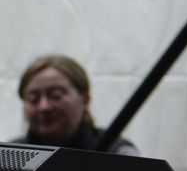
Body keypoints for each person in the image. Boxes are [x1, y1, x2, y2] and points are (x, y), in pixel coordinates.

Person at [12, 54, 140, 155]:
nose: (44, 107)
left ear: (85, 99)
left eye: (55, 96)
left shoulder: (118, 153)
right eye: (33, 99)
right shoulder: (11, 155)